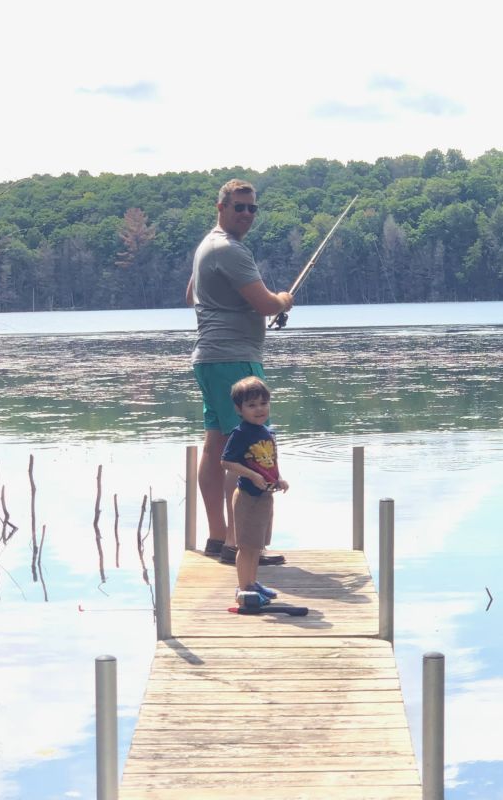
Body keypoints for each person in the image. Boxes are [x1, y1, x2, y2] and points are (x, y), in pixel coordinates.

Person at [186, 178, 294, 565]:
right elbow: (267, 304)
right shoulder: (230, 250)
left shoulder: (207, 247)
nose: (247, 214)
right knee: (246, 447)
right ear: (221, 207)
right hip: (233, 359)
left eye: (252, 208)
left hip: (210, 359)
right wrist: (284, 300)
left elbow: (191, 295)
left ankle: (218, 538)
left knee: (216, 444)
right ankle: (239, 545)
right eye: (239, 207)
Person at [221, 376, 288, 606]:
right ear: (239, 410)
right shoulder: (241, 434)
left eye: (263, 403)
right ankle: (243, 589)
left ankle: (252, 583)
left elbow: (268, 461)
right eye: (251, 405)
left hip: (265, 496)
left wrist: (278, 478)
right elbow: (227, 462)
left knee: (257, 545)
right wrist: (252, 475)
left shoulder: (266, 431)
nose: (259, 409)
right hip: (248, 497)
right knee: (246, 546)